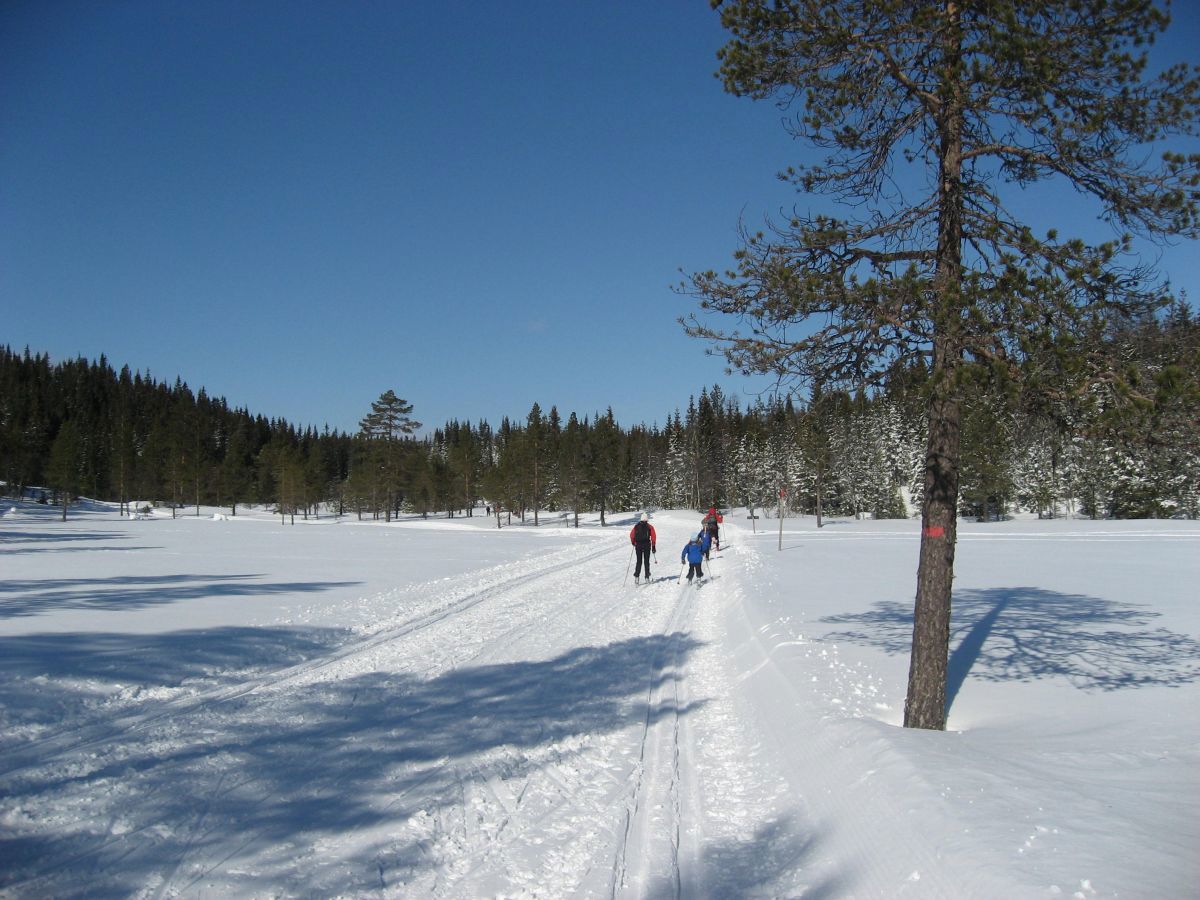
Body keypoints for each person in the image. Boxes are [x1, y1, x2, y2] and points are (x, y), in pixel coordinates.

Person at [629, 513, 657, 584]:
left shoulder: (636, 526)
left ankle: (637, 577)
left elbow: (631, 535)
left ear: (641, 519)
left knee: (639, 561)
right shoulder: (650, 526)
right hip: (647, 545)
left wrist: (633, 542)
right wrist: (653, 546)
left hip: (638, 545)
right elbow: (653, 536)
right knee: (646, 562)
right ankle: (647, 577)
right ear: (647, 519)